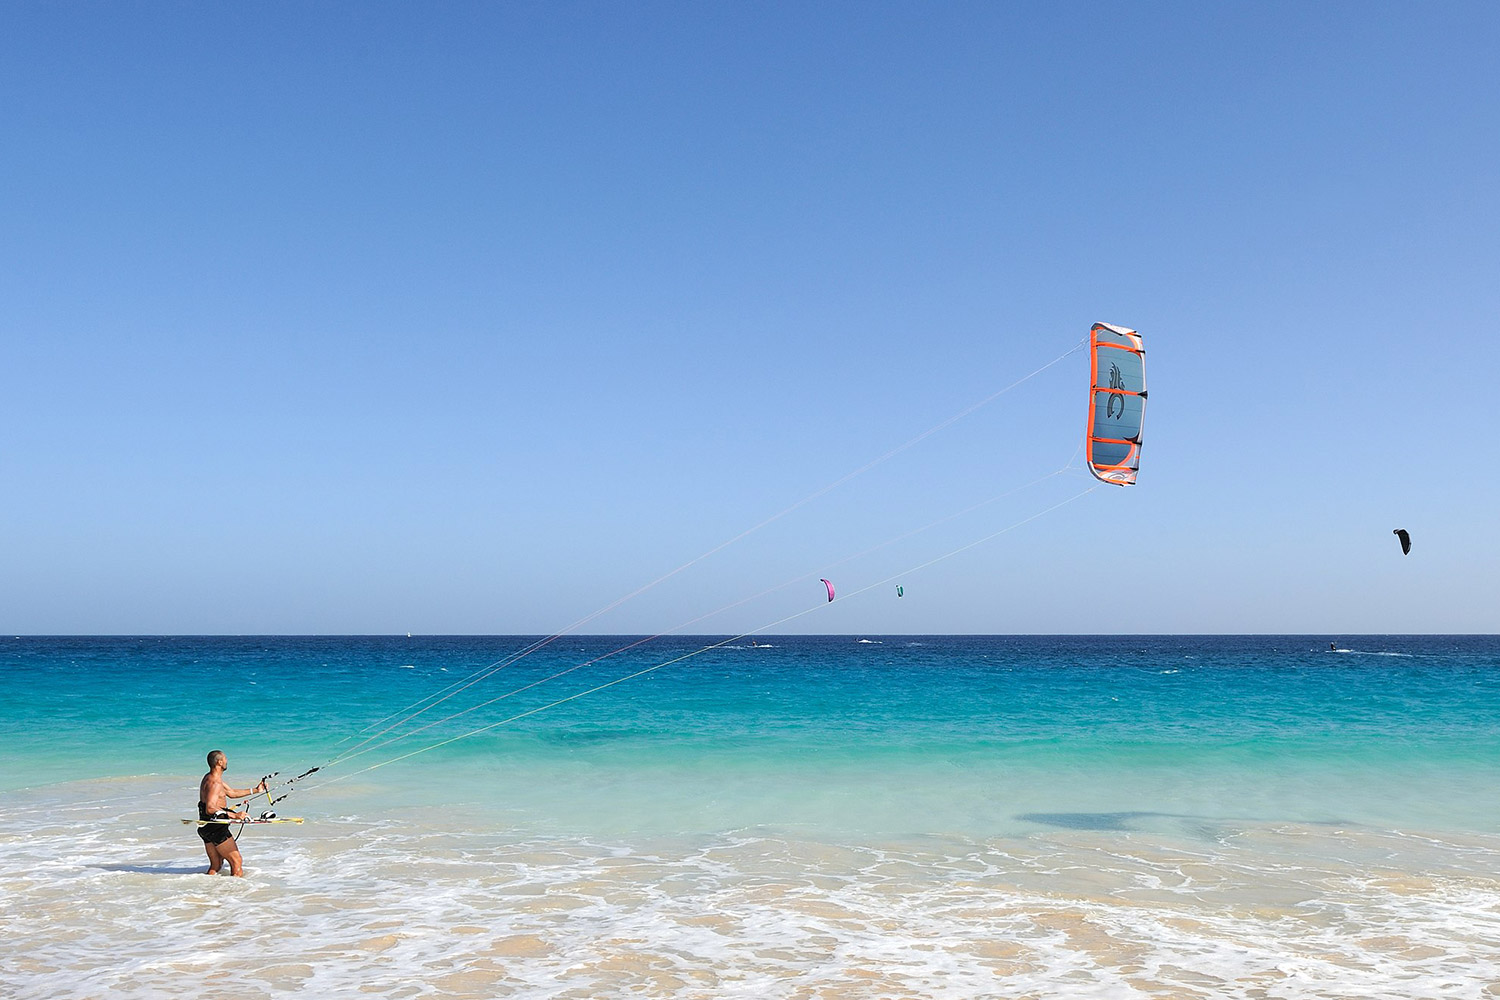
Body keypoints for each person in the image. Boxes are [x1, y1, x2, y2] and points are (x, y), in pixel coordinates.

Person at [197, 750, 267, 876]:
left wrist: (256, 790)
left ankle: (207, 891)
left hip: (206, 828)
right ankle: (235, 892)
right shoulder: (215, 783)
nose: (227, 761)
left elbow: (232, 793)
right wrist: (235, 815)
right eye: (225, 758)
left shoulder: (210, 778)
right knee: (236, 862)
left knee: (216, 864)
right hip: (216, 828)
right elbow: (210, 808)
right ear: (219, 762)